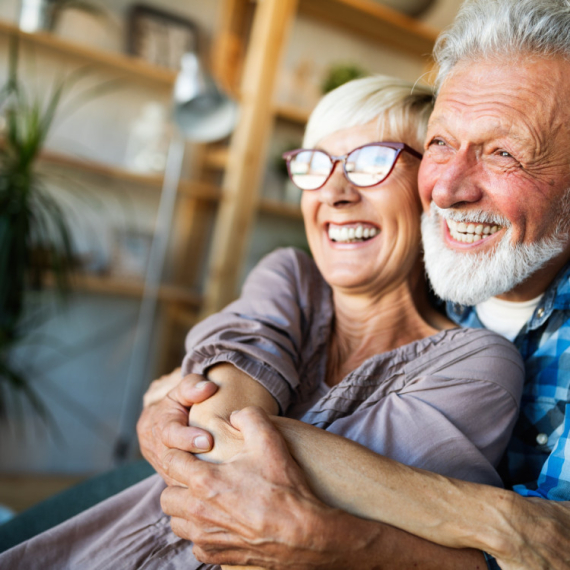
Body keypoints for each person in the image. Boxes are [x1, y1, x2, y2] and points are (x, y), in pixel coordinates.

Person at [0, 76, 525, 569]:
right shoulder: (290, 276)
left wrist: (176, 396)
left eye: (370, 162)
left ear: (430, 188)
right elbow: (213, 430)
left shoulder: (478, 363)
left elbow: (255, 469)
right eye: (315, 164)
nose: (334, 192)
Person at [144, 1, 570, 569]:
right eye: (442, 143)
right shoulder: (421, 275)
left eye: (503, 153)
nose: (446, 190)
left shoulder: (469, 346)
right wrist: (497, 520)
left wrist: (344, 544)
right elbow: (532, 540)